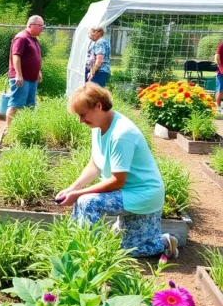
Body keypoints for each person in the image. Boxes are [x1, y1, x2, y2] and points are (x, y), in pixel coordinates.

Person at [56, 83, 179, 259]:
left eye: (82, 115)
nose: (80, 120)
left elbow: (117, 181)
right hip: (126, 193)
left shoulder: (121, 134)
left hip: (143, 194)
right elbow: (95, 165)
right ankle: (78, 250)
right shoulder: (98, 125)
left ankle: (87, 256)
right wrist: (72, 188)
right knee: (127, 249)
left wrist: (78, 194)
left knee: (87, 202)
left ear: (98, 106)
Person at [6, 16, 44, 124]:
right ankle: (8, 130)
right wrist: (18, 74)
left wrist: (38, 71)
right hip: (22, 78)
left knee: (30, 106)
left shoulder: (34, 39)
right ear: (31, 25)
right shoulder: (21, 37)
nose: (42, 28)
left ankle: (26, 127)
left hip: (32, 79)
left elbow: (35, 57)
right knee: (16, 104)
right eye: (40, 26)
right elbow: (16, 56)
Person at [215, 38, 223, 114]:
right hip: (221, 72)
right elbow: (217, 57)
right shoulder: (222, 44)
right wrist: (220, 68)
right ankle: (218, 107)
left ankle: (219, 107)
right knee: (219, 90)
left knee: (220, 90)